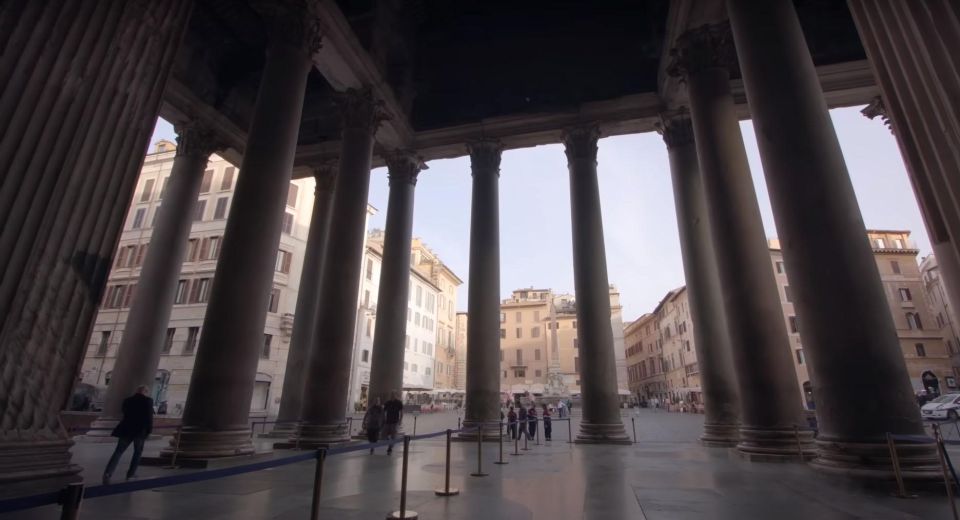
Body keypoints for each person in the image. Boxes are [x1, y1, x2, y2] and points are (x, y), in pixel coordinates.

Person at [103, 385, 153, 485]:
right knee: (137, 452)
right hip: (139, 430)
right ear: (145, 391)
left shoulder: (127, 400)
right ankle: (131, 474)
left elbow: (124, 412)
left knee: (118, 451)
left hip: (126, 429)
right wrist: (149, 430)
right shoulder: (148, 400)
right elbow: (149, 417)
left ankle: (108, 473)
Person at [382, 390, 404, 454]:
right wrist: (383, 419)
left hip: (395, 421)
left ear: (396, 395)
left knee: (393, 435)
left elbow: (401, 412)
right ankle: (390, 443)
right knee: (383, 435)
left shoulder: (399, 403)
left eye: (393, 394)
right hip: (388, 421)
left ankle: (390, 447)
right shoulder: (387, 402)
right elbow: (384, 411)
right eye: (391, 394)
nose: (392, 395)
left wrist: (400, 420)